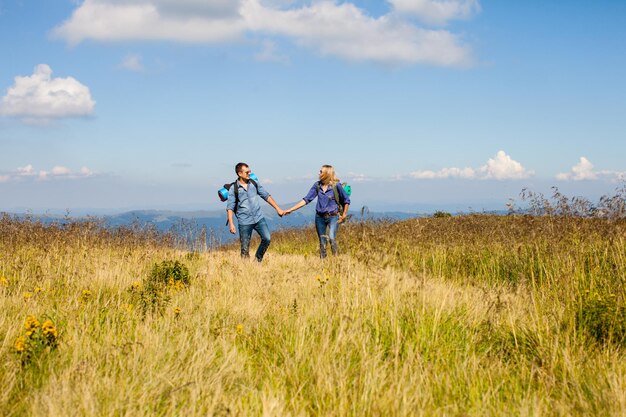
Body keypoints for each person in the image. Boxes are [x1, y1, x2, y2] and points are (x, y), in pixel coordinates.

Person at [285, 165, 350, 258]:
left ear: (327, 173)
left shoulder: (336, 186)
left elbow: (346, 200)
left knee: (331, 238)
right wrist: (291, 209)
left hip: (333, 216)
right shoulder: (317, 185)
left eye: (321, 172)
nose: (318, 173)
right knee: (322, 241)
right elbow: (306, 199)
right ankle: (323, 262)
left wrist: (344, 215)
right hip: (319, 217)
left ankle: (336, 260)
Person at [227, 162, 285, 262]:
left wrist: (277, 208)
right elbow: (230, 207)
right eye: (247, 172)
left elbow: (266, 196)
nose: (249, 173)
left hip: (258, 218)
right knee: (245, 249)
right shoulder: (234, 189)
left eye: (249, 171)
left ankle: (257, 261)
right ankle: (245, 270)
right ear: (240, 174)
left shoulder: (254, 183)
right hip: (244, 221)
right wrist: (231, 224)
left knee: (267, 238)